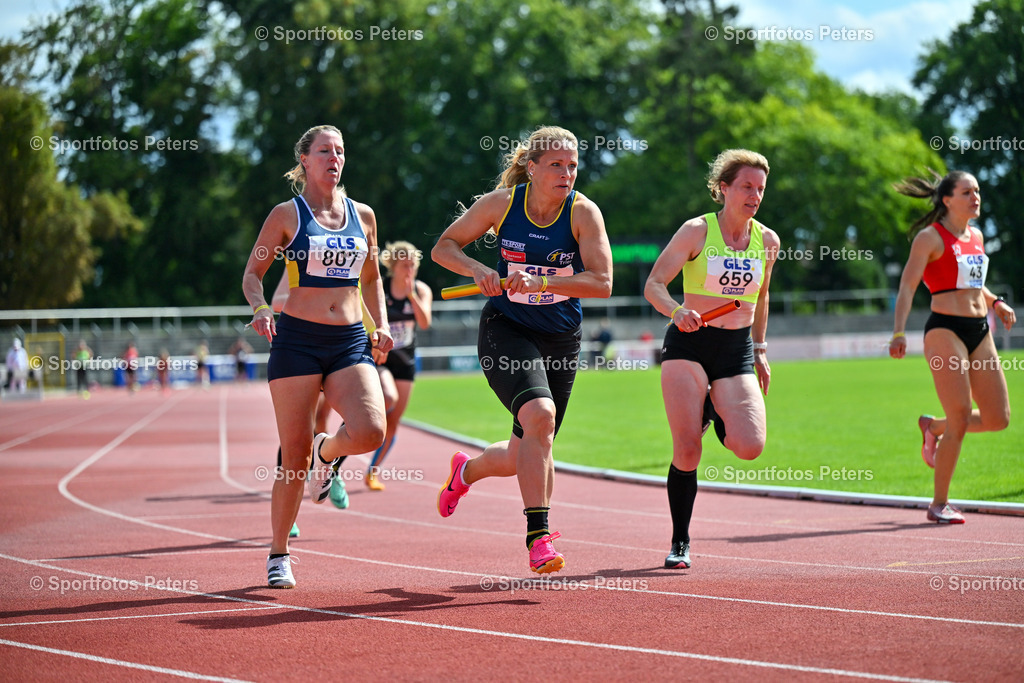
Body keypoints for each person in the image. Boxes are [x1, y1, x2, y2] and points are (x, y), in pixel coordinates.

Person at [432, 125, 613, 574]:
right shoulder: (502, 204)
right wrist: (478, 270)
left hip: (560, 337)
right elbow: (443, 247)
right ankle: (539, 537)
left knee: (526, 450)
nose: (566, 173)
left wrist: (545, 281)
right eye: (556, 165)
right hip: (507, 327)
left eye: (572, 166)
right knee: (541, 417)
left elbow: (603, 283)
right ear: (531, 169)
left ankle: (465, 472)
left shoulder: (583, 214)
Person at [242, 124, 392, 588]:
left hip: (348, 340)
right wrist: (262, 308)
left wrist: (380, 324)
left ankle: (327, 455)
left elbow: (371, 279)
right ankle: (278, 553)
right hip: (297, 341)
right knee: (292, 457)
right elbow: (253, 273)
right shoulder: (287, 214)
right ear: (304, 160)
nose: (335, 158)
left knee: (371, 429)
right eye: (325, 151)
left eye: (341, 151)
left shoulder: (363, 215)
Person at [643, 149, 780, 569]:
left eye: (760, 188)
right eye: (745, 187)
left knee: (750, 446)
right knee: (687, 448)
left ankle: (712, 407)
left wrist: (760, 349)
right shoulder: (696, 231)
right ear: (724, 188)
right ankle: (680, 542)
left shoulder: (768, 241)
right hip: (690, 344)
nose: (754, 196)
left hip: (736, 348)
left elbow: (762, 297)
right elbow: (654, 284)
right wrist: (676, 311)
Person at [889, 169, 1015, 524]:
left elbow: (974, 285)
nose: (975, 197)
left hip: (979, 329)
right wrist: (899, 333)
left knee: (997, 419)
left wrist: (996, 302)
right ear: (947, 199)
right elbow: (907, 288)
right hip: (945, 330)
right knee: (961, 414)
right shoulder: (930, 238)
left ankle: (934, 427)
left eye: (977, 191)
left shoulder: (976, 235)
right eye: (966, 192)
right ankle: (939, 503)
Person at [361, 240, 433, 491]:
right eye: (404, 265)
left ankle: (372, 471)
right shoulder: (383, 290)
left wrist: (411, 293)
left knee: (394, 421)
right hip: (381, 359)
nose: (409, 270)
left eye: (413, 265)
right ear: (393, 266)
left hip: (406, 363)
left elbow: (424, 323)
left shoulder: (421, 290)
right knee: (388, 398)